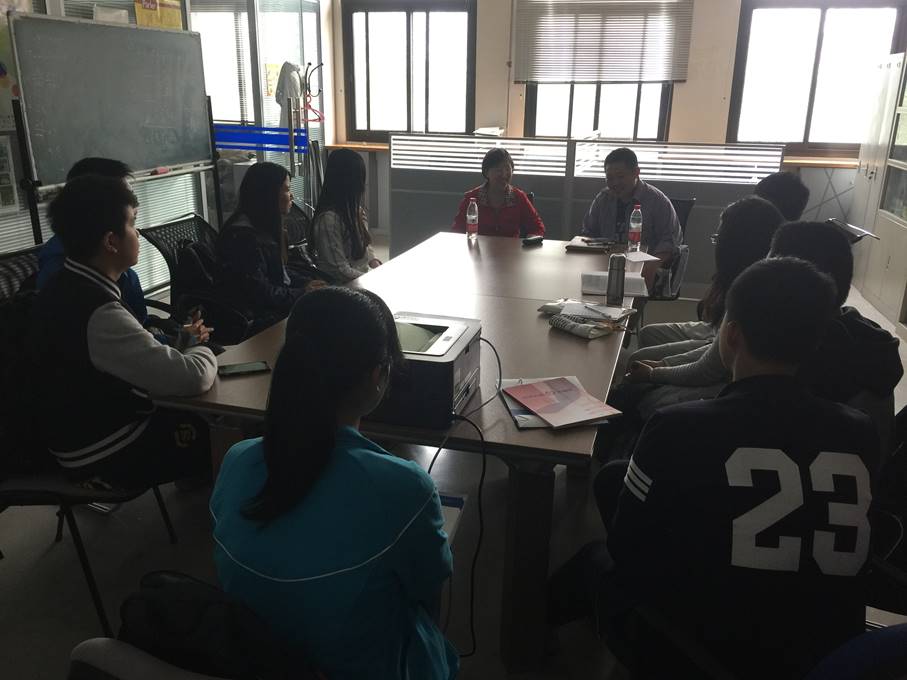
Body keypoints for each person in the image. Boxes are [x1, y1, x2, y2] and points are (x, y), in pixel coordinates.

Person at [555, 258, 878, 679]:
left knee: (592, 561)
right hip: (828, 654)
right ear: (814, 342)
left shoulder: (679, 427)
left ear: (732, 334)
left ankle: (522, 641)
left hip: (704, 652)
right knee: (617, 477)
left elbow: (628, 550)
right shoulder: (859, 432)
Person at [211, 287, 458, 680]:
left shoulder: (237, 460)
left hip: (252, 657)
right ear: (377, 375)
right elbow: (427, 587)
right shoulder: (405, 488)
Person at [29, 175, 217, 488]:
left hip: (78, 435)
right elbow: (193, 377)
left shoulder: (69, 285)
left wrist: (183, 344)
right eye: (133, 223)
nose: (138, 233)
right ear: (111, 241)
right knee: (230, 431)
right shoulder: (96, 310)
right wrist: (200, 345)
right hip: (104, 450)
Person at [631, 196, 784, 365]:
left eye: (719, 239)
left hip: (716, 346)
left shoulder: (751, 288)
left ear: (736, 245)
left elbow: (712, 361)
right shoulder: (735, 271)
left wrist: (660, 368)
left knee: (638, 359)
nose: (716, 246)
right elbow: (708, 316)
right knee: (647, 334)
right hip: (714, 330)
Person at [37, 157, 149, 324]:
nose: (134, 204)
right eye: (124, 196)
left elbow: (141, 322)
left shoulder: (116, 266)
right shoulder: (65, 278)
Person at [216, 162, 325, 333]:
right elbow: (260, 294)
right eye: (287, 189)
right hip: (256, 320)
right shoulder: (242, 238)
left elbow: (279, 273)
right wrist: (302, 293)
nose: (291, 196)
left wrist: (306, 283)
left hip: (273, 307)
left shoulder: (261, 226)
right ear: (268, 195)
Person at [580, 147, 681, 287]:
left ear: (636, 173)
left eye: (621, 176)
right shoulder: (603, 199)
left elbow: (669, 242)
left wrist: (651, 267)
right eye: (610, 178)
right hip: (605, 264)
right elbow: (588, 233)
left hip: (643, 267)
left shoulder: (657, 201)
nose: (615, 183)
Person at [309, 149, 381, 282]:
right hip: (341, 286)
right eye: (359, 179)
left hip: (358, 280)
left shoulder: (355, 210)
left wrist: (374, 262)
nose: (362, 185)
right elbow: (339, 271)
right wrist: (371, 280)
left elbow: (363, 245)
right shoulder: (328, 220)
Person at [451, 148, 545, 238]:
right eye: (498, 169)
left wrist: (530, 240)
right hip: (479, 248)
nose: (503, 174)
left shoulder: (519, 197)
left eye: (507, 169)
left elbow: (537, 227)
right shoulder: (471, 198)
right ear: (486, 172)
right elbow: (457, 231)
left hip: (511, 249)